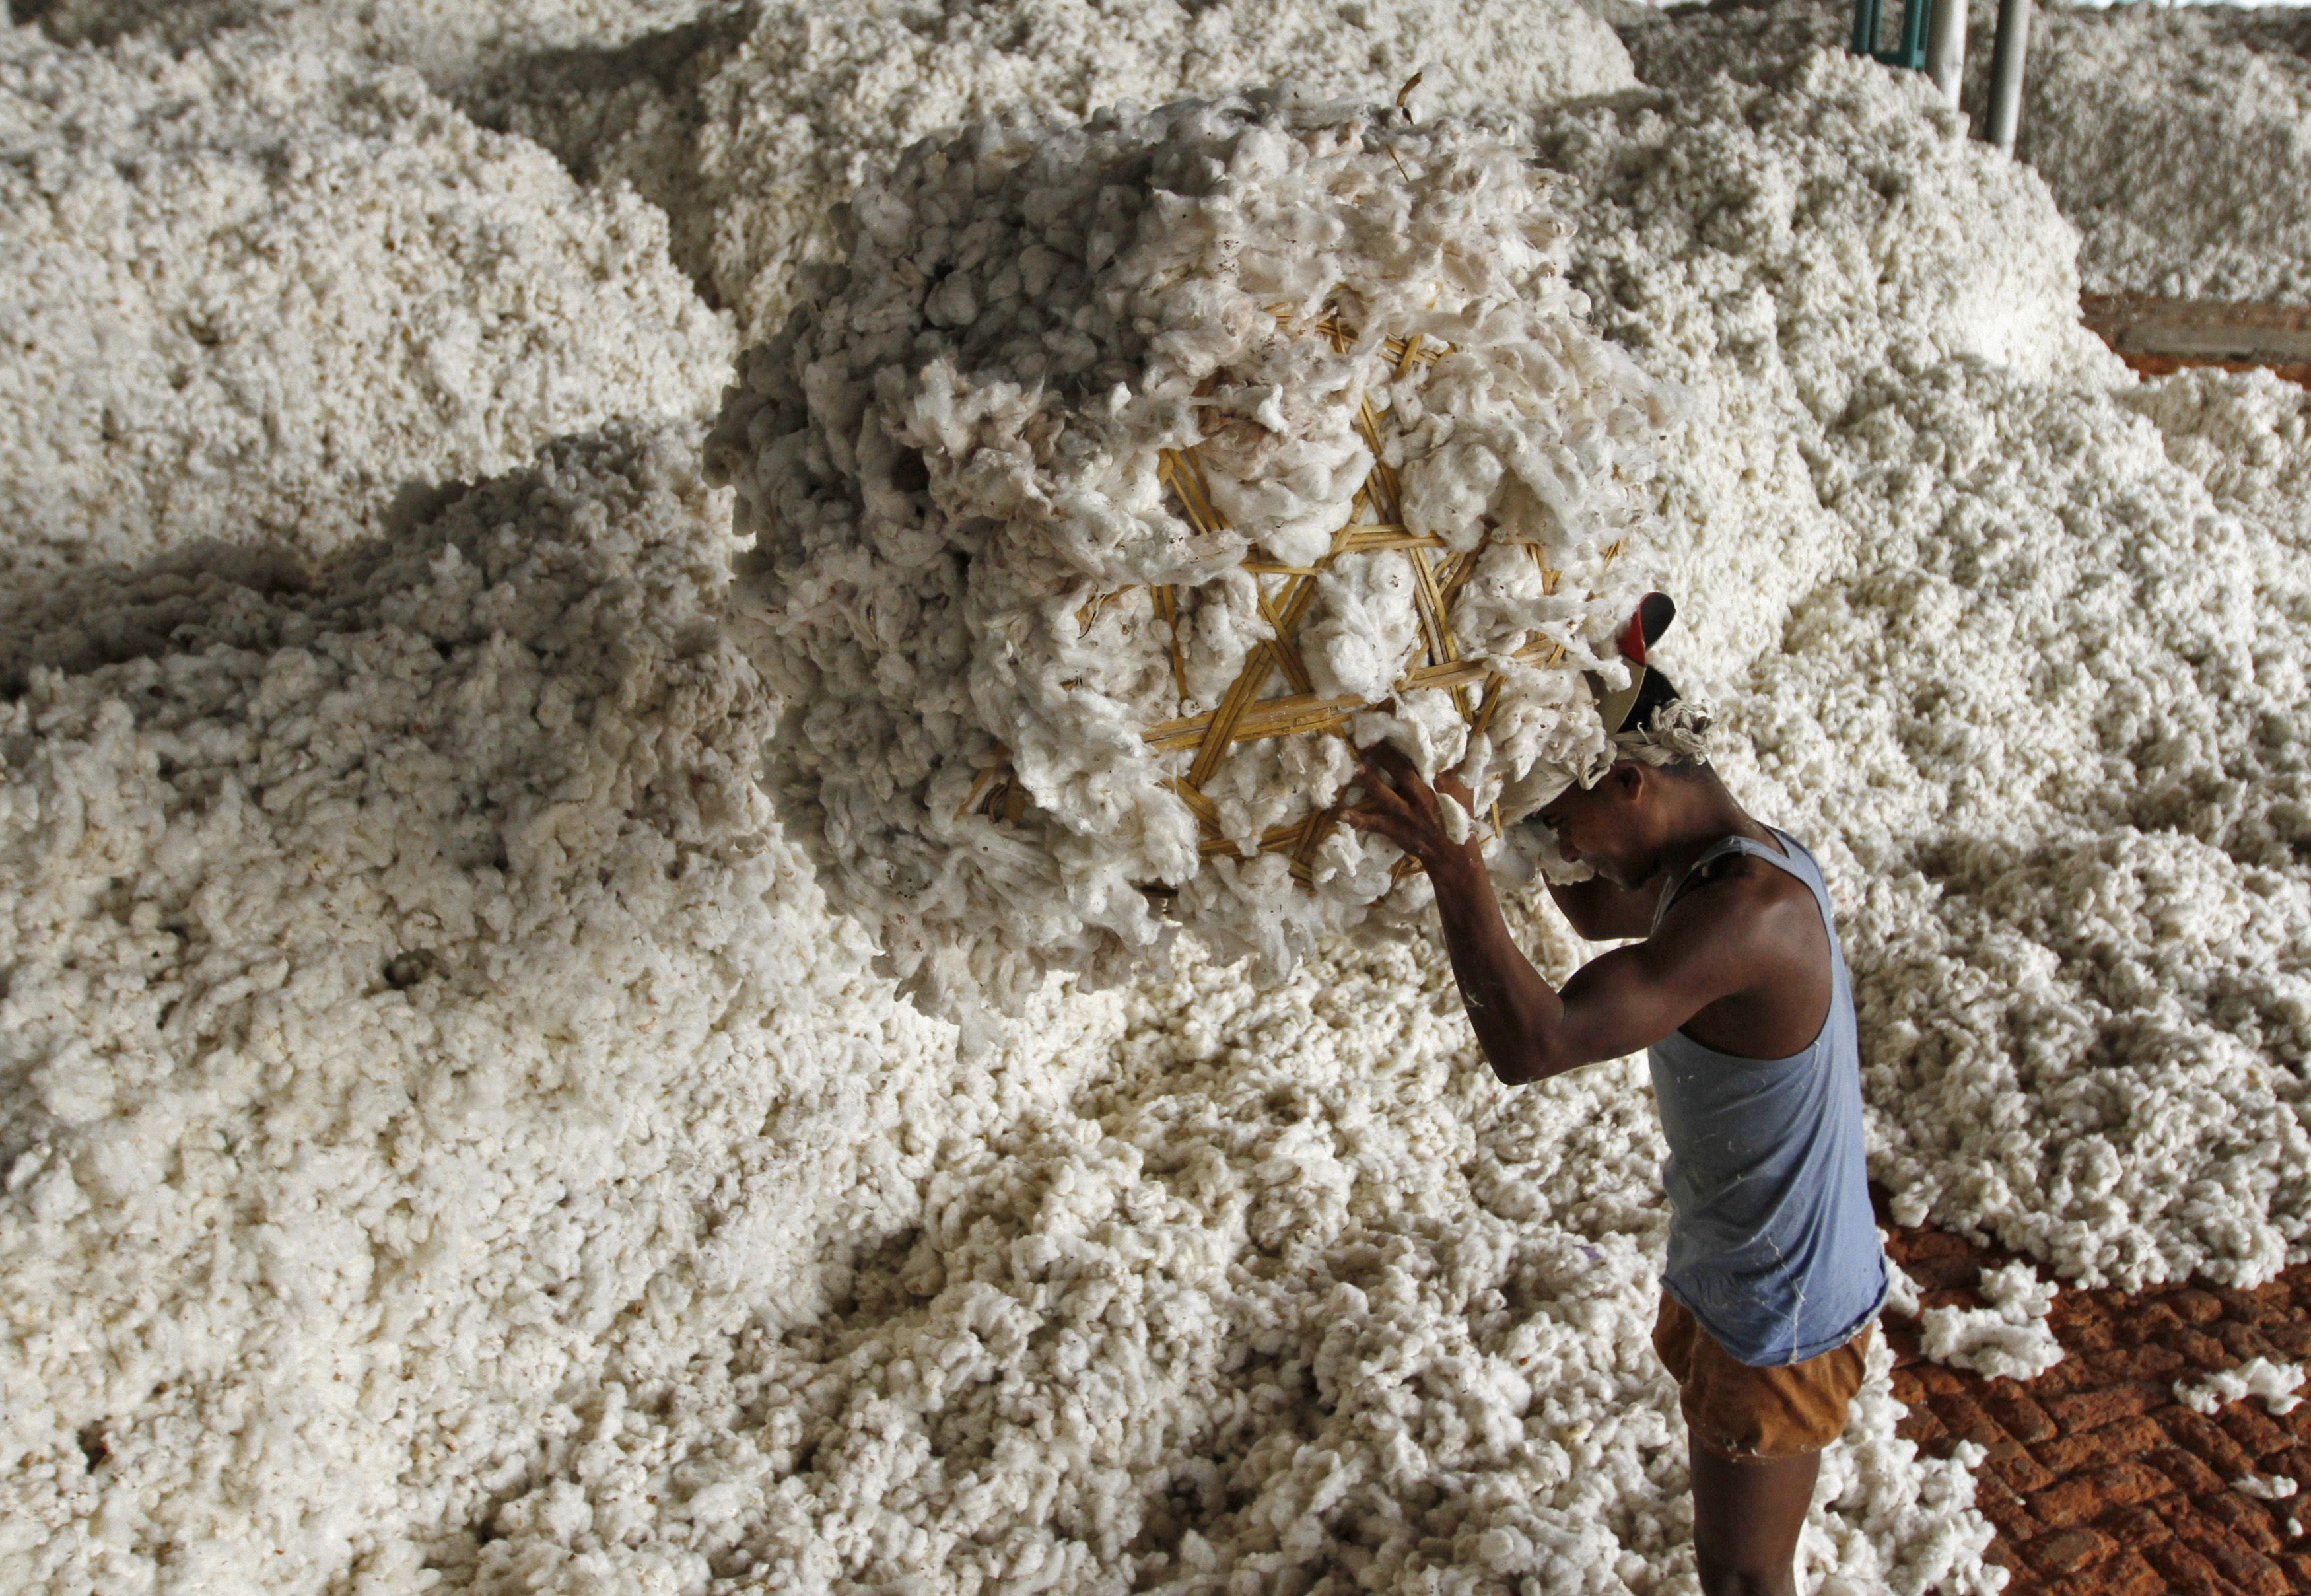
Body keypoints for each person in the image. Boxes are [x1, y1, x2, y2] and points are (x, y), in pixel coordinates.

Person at [1342, 596, 1887, 1596]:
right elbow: (1596, 905)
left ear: (1630, 782)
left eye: (1569, 819)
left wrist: (1455, 863)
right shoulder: (1725, 858)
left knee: (1744, 1573)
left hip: (1782, 1303)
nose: (1567, 846)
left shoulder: (1747, 917)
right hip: (1748, 1268)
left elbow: (1534, 1042)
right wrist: (1499, 800)